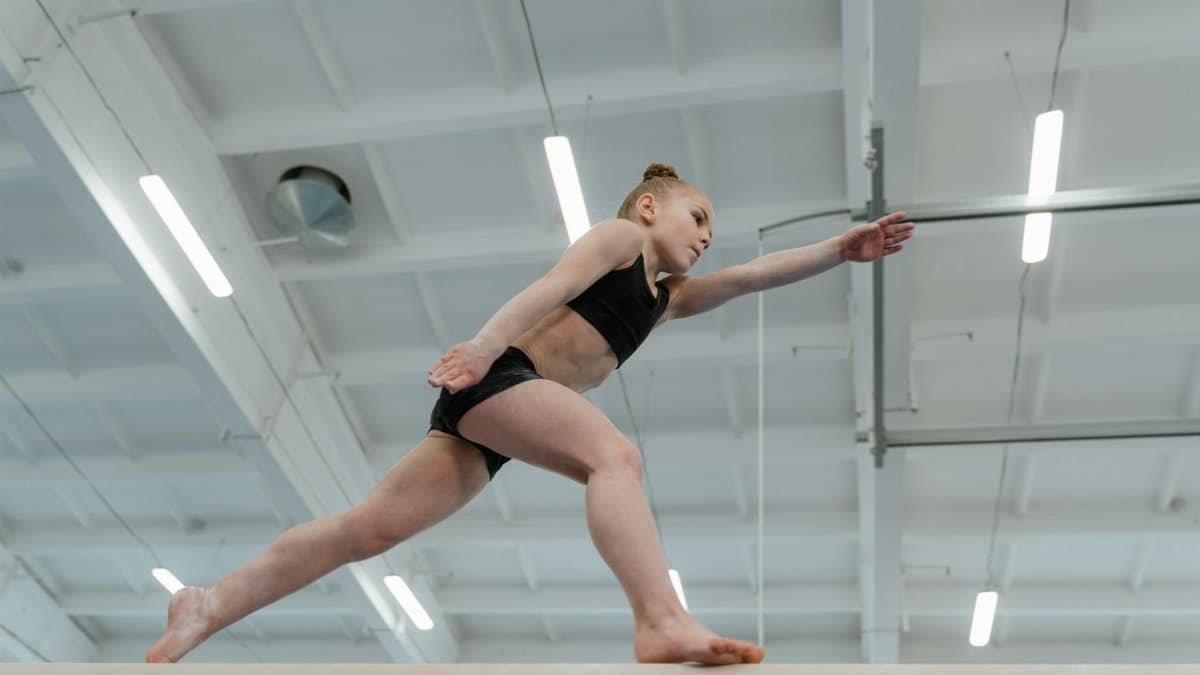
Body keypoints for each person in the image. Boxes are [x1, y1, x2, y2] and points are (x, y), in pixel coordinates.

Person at [147, 163, 914, 665]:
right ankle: (659, 618)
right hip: (499, 377)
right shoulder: (621, 239)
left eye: (712, 230)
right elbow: (550, 286)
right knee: (615, 458)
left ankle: (209, 603)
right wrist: (483, 347)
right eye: (698, 216)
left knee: (368, 529)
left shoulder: (668, 298)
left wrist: (837, 250)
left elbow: (750, 276)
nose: (708, 237)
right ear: (651, 206)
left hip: (500, 422)